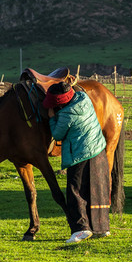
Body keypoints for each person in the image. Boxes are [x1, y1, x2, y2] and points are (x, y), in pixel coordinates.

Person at [43, 80, 111, 243]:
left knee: (76, 191)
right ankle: (101, 227)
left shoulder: (66, 115)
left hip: (80, 155)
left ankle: (81, 229)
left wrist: (53, 118)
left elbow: (58, 135)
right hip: (98, 150)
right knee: (97, 189)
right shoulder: (83, 98)